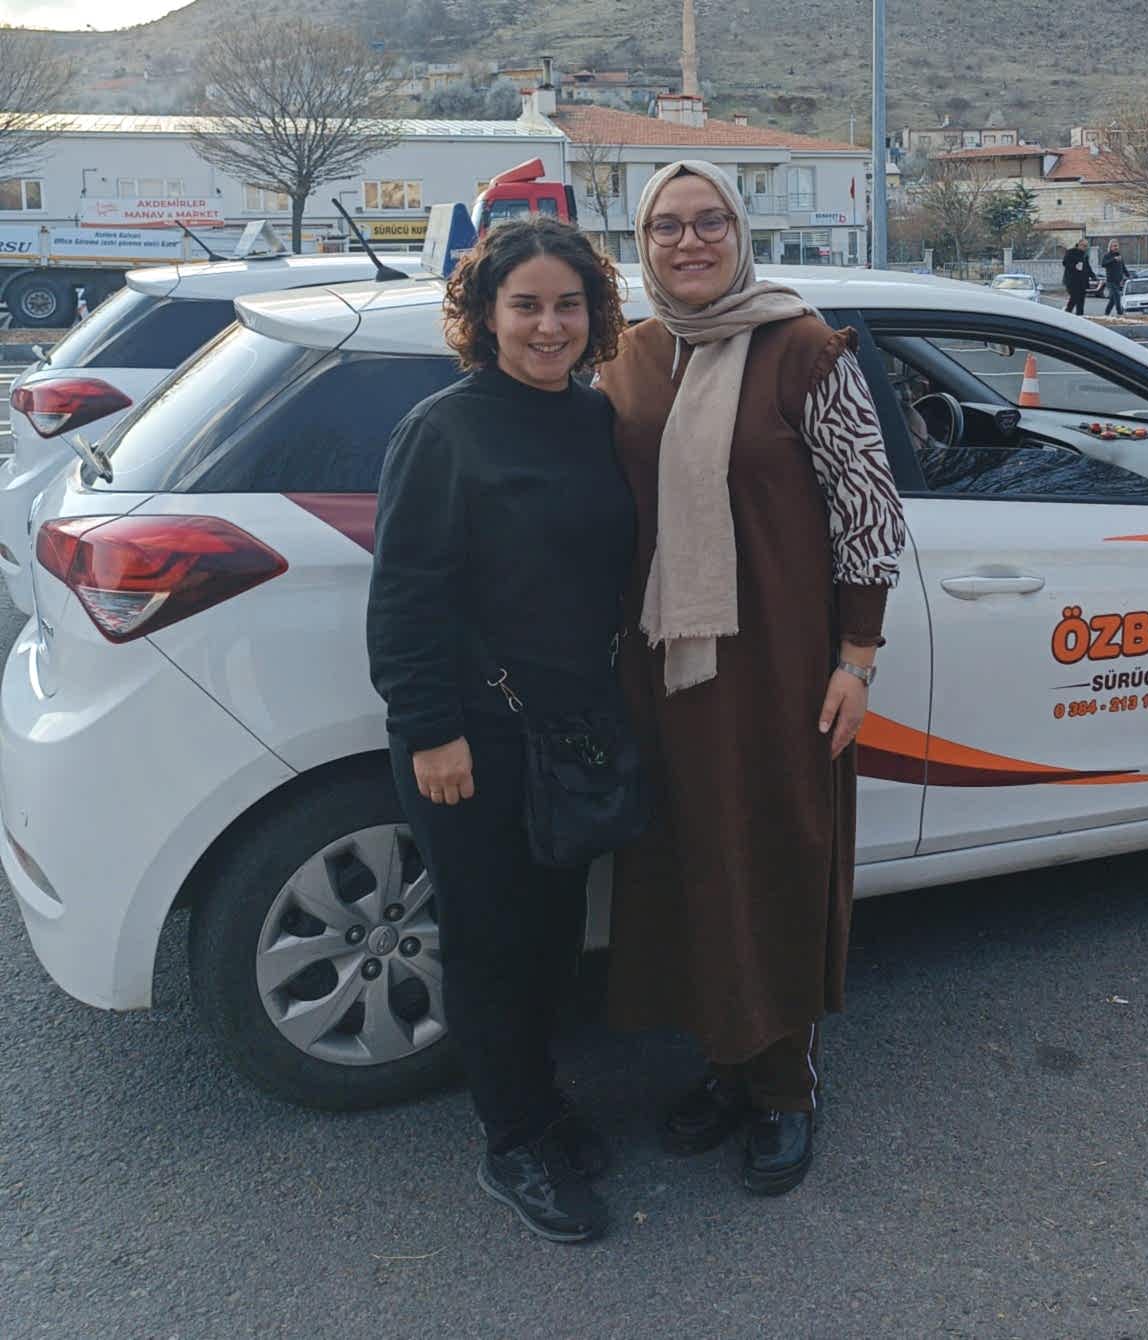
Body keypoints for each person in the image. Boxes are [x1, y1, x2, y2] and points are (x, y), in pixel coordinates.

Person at [595, 160, 907, 1197]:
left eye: (709, 221)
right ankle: (724, 1062)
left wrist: (856, 657)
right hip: (659, 668)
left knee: (774, 856)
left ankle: (783, 1086)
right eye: (667, 226)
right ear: (643, 242)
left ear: (739, 231)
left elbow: (869, 512)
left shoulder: (803, 348)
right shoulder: (628, 358)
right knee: (689, 866)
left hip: (778, 667)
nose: (689, 242)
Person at [366, 218, 633, 1244]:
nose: (549, 325)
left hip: (569, 729)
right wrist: (430, 729)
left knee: (553, 934)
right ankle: (512, 1140)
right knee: (490, 942)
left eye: (569, 304)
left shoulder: (593, 415)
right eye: (526, 306)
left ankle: (541, 1100)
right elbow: (406, 598)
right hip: (471, 738)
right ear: (485, 314)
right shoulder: (444, 430)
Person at [1062, 236, 1098, 315]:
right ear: (1079, 245)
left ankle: (1080, 315)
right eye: (1083, 246)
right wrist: (1074, 266)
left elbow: (1087, 267)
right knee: (1074, 297)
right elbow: (1065, 263)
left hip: (1082, 282)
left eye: (1086, 246)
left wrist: (1093, 276)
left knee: (1081, 300)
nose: (1085, 248)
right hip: (1072, 280)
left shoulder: (1084, 255)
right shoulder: (1071, 252)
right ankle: (1067, 313)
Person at [1101, 239, 1130, 316]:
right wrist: (1114, 259)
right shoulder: (1107, 255)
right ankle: (1120, 313)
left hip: (1118, 281)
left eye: (1117, 246)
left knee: (1113, 300)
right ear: (1110, 247)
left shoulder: (1119, 256)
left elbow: (1123, 267)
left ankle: (1106, 314)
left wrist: (1129, 275)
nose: (1116, 247)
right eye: (1114, 246)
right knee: (1117, 296)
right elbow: (1103, 264)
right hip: (1110, 281)